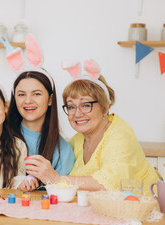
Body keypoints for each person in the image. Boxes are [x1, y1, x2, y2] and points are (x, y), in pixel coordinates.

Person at [25, 60, 158, 196]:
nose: (77, 113)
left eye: (86, 105)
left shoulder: (120, 136)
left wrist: (56, 179)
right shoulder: (77, 141)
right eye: (71, 106)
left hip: (142, 210)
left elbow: (112, 183)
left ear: (105, 106)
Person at [7, 70, 75, 192]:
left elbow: (61, 197)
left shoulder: (63, 151)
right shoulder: (1, 136)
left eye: (36, 94)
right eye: (21, 94)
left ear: (50, 99)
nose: (28, 101)